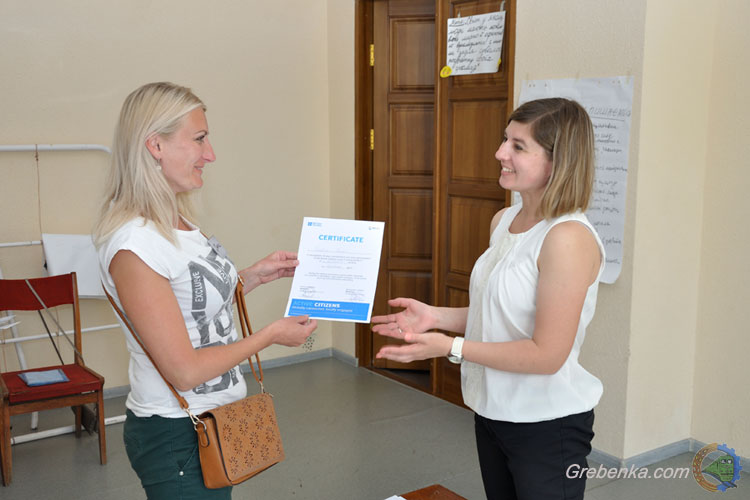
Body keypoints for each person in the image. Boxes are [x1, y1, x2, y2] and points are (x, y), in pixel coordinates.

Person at [372, 98, 605, 500]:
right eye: (504, 140)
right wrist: (434, 317)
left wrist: (450, 347)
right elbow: (498, 313)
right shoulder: (504, 220)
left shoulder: (568, 238)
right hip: (492, 411)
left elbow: (547, 355)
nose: (500, 153)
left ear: (558, 162)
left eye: (518, 146)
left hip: (546, 423)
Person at [93, 82, 317, 500]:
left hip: (212, 417)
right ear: (155, 145)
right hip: (176, 434)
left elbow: (186, 305)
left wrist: (251, 276)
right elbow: (185, 371)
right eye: (199, 139)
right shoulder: (135, 246)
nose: (209, 154)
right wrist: (270, 335)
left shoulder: (175, 219)